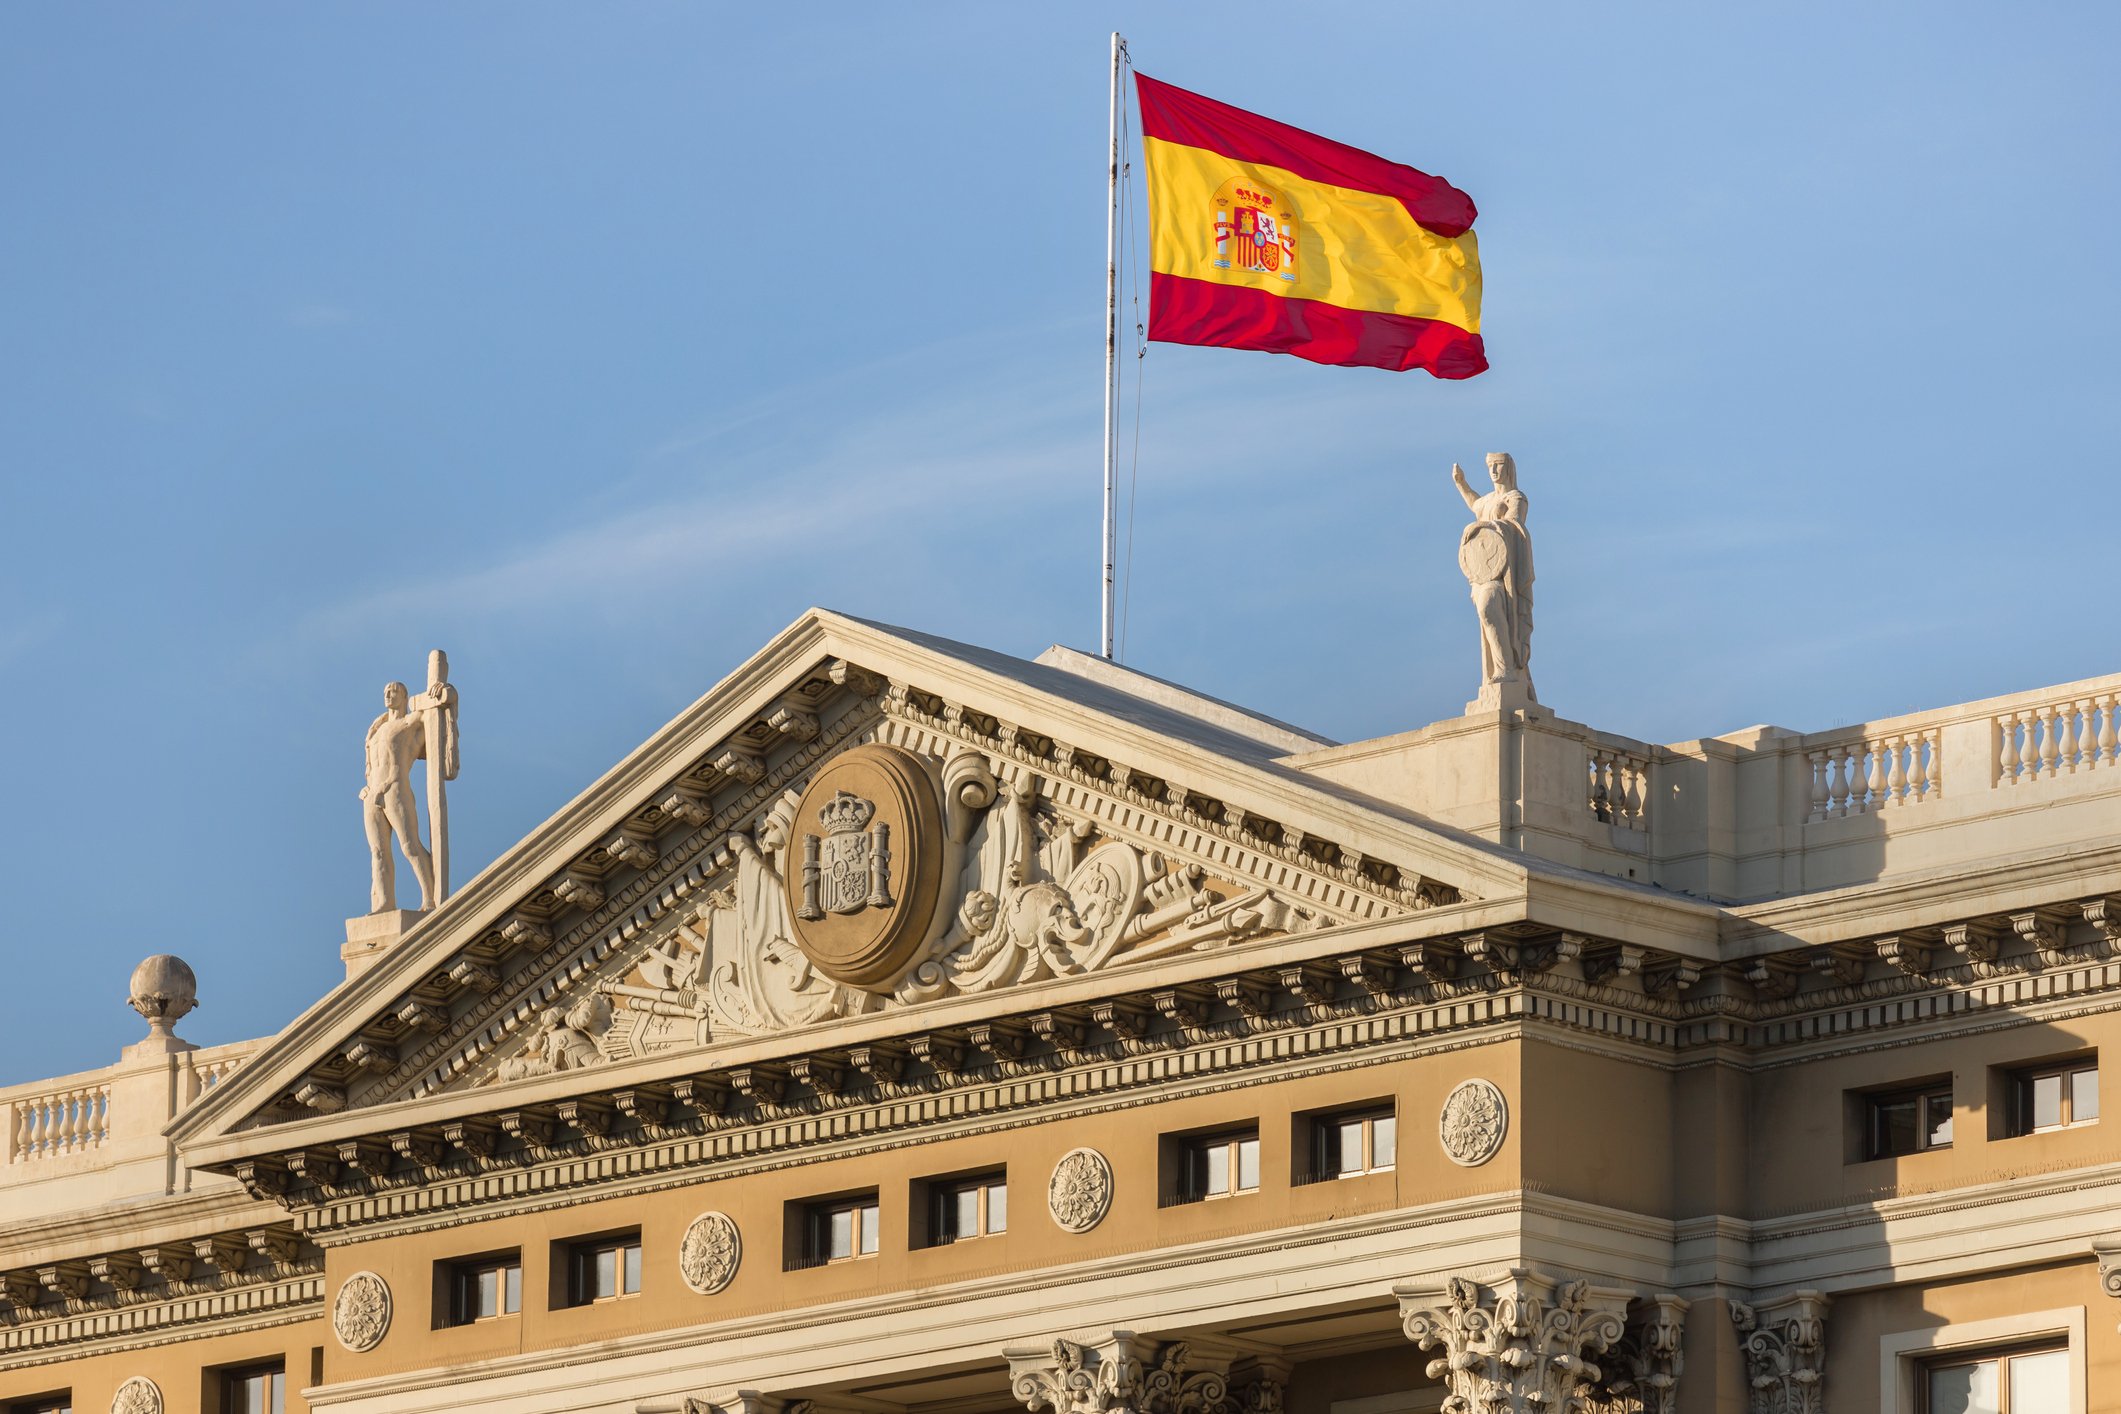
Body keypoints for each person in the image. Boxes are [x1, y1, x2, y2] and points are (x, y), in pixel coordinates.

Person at [360, 680, 448, 912]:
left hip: (395, 788)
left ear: (405, 696)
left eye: (394, 691)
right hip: (371, 794)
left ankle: (429, 897)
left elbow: (438, 705)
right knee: (378, 852)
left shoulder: (409, 722)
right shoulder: (376, 730)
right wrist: (368, 788)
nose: (389, 694)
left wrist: (443, 690)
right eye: (386, 691)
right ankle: (384, 902)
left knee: (409, 845)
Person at [1450, 452, 1535, 693]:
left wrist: (1482, 525)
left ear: (1508, 468)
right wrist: (1461, 483)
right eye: (1490, 466)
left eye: (1498, 465)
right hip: (1484, 572)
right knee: (1486, 613)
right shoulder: (1487, 501)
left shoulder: (1515, 497)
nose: (1494, 471)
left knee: (1490, 607)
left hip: (1507, 576)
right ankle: (1502, 668)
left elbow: (1514, 524)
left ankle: (1507, 668)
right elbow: (1474, 503)